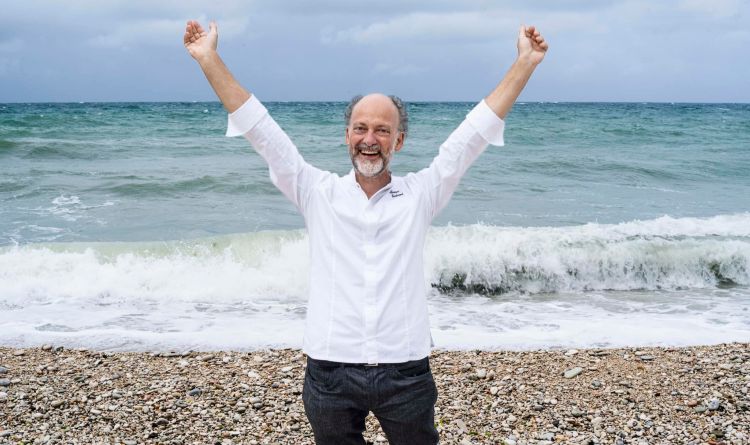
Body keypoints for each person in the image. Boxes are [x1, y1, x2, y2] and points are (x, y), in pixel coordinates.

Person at [184, 19, 547, 445]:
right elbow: (259, 127)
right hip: (329, 374)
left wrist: (525, 62)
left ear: (400, 141)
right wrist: (208, 58)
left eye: (382, 130)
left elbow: (474, 133)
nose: (369, 139)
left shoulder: (422, 193)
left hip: (406, 373)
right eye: (360, 128)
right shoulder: (316, 191)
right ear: (347, 136)